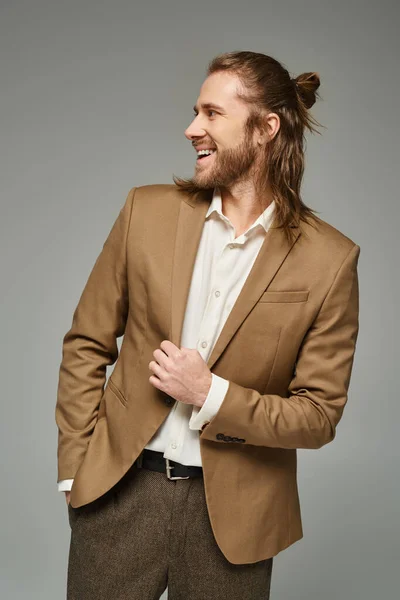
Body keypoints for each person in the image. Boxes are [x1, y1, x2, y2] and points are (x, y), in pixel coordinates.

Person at [55, 51, 360, 600]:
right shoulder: (144, 212)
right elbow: (86, 342)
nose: (192, 127)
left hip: (237, 519)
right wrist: (76, 470)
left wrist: (211, 394)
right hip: (118, 493)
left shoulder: (329, 259)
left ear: (267, 128)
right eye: (195, 111)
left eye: (212, 113)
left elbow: (318, 415)